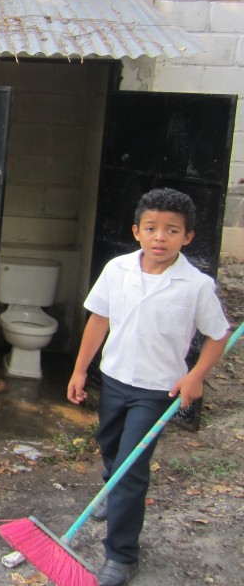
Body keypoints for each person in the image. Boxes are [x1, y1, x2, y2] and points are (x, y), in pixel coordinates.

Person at [67, 188, 229, 586]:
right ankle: (113, 489)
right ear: (137, 231)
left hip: (158, 391)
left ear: (187, 237)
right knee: (110, 447)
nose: (161, 237)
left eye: (172, 231)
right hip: (116, 379)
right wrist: (80, 370)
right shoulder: (117, 270)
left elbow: (218, 334)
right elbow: (99, 320)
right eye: (152, 228)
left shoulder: (196, 285)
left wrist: (196, 376)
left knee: (131, 469)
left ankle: (122, 556)